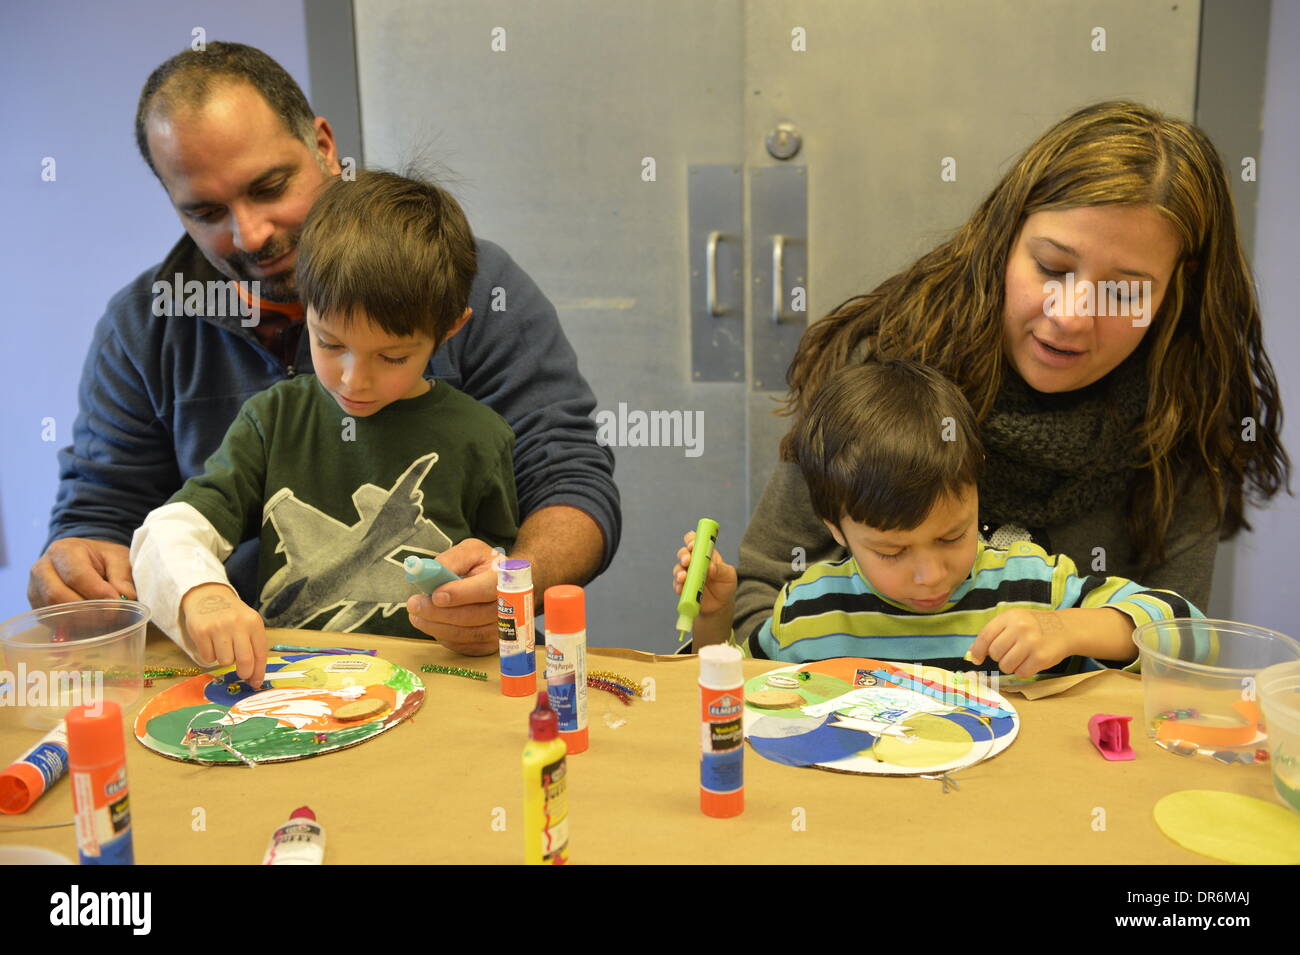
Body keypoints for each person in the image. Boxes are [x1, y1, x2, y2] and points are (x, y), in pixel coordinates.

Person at [27, 42, 620, 656]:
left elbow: (568, 477)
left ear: (324, 146)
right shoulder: (141, 328)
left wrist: (511, 585)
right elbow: (103, 512)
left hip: (442, 663)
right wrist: (80, 568)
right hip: (244, 680)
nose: (251, 234)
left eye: (269, 186)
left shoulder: (470, 286)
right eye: (205, 211)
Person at [733, 100, 1288, 649]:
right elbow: (760, 597)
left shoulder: (1182, 419)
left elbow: (1176, 646)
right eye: (1051, 268)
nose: (1071, 316)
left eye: (1124, 291)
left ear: (1176, 286)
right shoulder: (884, 375)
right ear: (1004, 237)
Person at [129, 170, 515, 686]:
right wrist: (204, 594)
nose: (354, 379)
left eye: (393, 355)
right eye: (329, 343)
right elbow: (171, 528)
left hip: (435, 695)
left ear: (449, 330)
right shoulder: (273, 421)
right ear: (304, 307)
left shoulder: (481, 437)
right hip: (287, 697)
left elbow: (504, 579)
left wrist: (490, 604)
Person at [675, 360, 1203, 674]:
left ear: (977, 492)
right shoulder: (810, 614)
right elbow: (733, 691)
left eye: (952, 536)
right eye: (891, 551)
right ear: (835, 530)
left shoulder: (1032, 585)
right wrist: (712, 618)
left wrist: (1070, 628)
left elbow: (1191, 634)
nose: (930, 574)